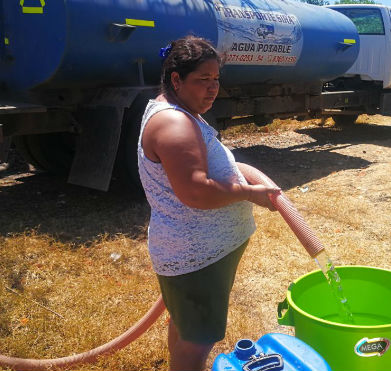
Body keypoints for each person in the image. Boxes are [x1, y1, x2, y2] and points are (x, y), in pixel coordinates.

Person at [137, 35, 280, 371]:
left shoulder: (181, 111)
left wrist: (242, 176)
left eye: (216, 79)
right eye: (203, 79)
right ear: (176, 79)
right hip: (196, 256)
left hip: (198, 252)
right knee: (197, 339)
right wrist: (248, 193)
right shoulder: (173, 122)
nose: (213, 87)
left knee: (187, 326)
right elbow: (196, 192)